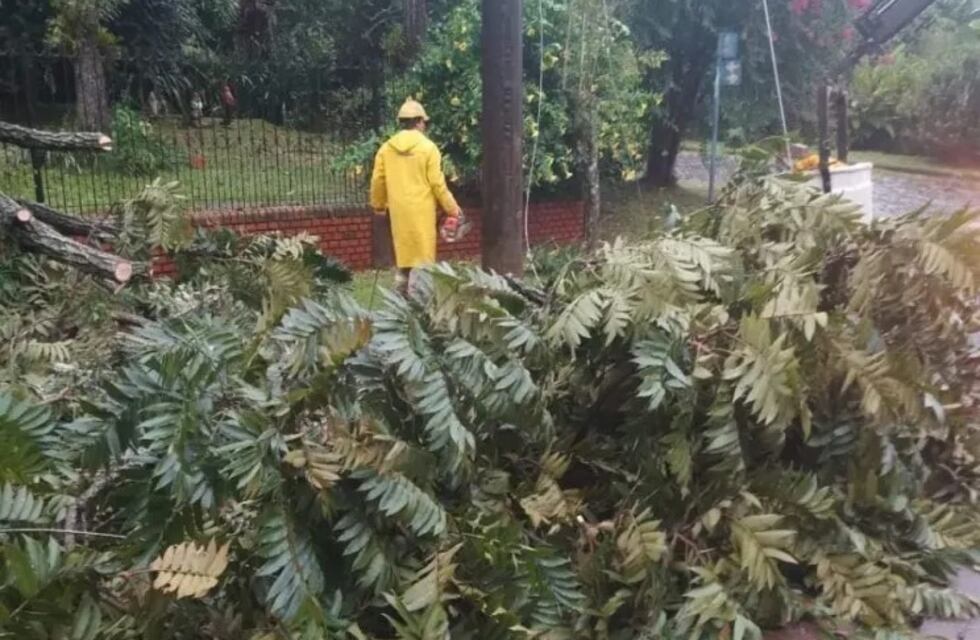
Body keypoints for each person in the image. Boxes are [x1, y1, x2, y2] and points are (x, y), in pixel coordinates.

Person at [370, 98, 462, 295]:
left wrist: (378, 205)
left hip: (398, 213)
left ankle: (399, 297)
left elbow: (378, 181)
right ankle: (418, 303)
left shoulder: (386, 149)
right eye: (424, 123)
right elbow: (437, 184)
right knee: (422, 259)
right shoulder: (428, 148)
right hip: (421, 213)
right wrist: (452, 208)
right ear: (420, 121)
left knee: (404, 256)